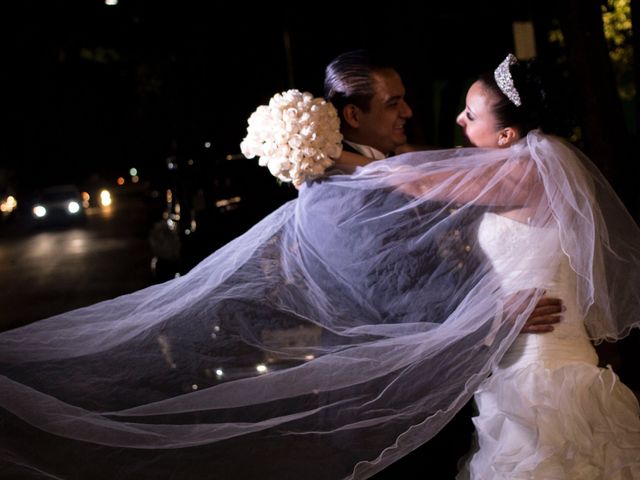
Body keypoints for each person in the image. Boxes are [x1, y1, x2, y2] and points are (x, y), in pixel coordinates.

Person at [333, 53, 640, 478]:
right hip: (516, 365)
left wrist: (330, 156)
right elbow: (427, 162)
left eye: (470, 113)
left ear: (506, 134)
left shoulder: (528, 173)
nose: (459, 120)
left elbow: (422, 178)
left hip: (545, 375)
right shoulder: (526, 167)